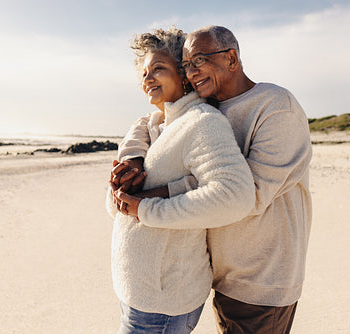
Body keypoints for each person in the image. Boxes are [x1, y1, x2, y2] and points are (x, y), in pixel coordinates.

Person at [112, 25, 313, 334]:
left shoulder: (275, 106)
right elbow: (157, 121)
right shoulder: (211, 106)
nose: (192, 72)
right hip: (223, 272)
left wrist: (150, 198)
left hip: (262, 277)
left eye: (199, 60)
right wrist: (132, 157)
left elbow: (248, 195)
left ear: (231, 58)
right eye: (188, 64)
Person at [106, 26, 256, 334]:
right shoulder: (155, 127)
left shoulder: (202, 123)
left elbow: (235, 196)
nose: (147, 79)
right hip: (140, 297)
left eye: (158, 69)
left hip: (163, 304)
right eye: (144, 73)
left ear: (185, 74)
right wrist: (119, 191)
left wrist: (145, 208)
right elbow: (119, 209)